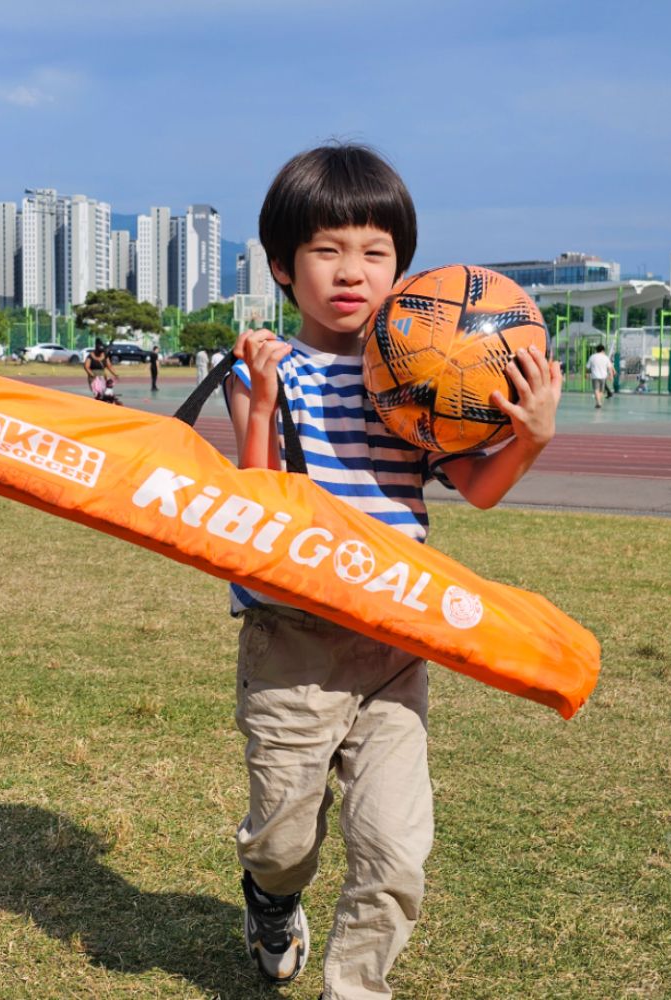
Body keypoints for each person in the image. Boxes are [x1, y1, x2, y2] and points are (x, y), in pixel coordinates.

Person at [224, 143, 561, 999]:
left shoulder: (422, 372)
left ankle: (357, 989)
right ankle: (270, 897)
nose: (352, 272)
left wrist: (529, 436)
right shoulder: (264, 367)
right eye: (327, 251)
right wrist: (262, 403)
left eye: (375, 253)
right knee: (284, 838)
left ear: (403, 270)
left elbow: (478, 489)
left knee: (395, 847)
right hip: (290, 645)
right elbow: (255, 510)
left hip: (394, 645)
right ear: (281, 267)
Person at [586, 343, 614, 408]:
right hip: (603, 377)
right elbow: (610, 368)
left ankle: (598, 402)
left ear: (596, 350)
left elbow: (587, 367)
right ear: (603, 350)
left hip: (595, 376)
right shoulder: (606, 357)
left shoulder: (592, 357)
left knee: (596, 389)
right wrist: (611, 376)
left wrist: (587, 374)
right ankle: (598, 402)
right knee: (601, 391)